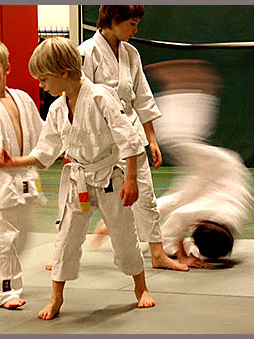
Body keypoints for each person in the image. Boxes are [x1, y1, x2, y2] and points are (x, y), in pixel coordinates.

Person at [0, 37, 155, 320]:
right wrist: (14, 162)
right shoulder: (57, 109)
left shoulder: (101, 97)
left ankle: (140, 288)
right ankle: (56, 297)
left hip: (109, 178)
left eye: (44, 79)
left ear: (64, 73)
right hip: (78, 180)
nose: (42, 86)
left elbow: (129, 139)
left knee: (124, 235)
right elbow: (45, 152)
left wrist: (131, 180)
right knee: (66, 239)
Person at [77, 5, 186, 271]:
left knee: (145, 193)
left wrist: (152, 139)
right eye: (132, 24)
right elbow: (78, 101)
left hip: (131, 130)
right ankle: (65, 251)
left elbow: (142, 96)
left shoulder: (131, 54)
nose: (136, 30)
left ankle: (158, 254)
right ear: (114, 20)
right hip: (99, 136)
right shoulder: (85, 53)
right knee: (85, 200)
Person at [145, 59, 254, 268]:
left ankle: (193, 90)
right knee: (178, 140)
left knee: (178, 199)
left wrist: (185, 251)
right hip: (222, 168)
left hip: (221, 182)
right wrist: (181, 254)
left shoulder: (223, 231)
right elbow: (178, 218)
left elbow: (178, 213)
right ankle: (188, 89)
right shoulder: (213, 215)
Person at [0, 39, 45, 309]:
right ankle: (6, 291)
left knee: (22, 238)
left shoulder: (23, 99)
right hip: (0, 179)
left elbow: (43, 130)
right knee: (2, 240)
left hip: (25, 178)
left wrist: (60, 146)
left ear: (7, 68)